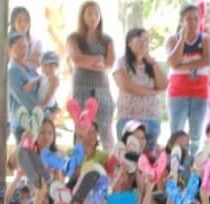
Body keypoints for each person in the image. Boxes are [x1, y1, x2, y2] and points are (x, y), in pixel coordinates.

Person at [68, 1, 117, 149]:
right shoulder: (74, 37)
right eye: (89, 13)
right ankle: (79, 164)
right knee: (82, 128)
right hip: (81, 87)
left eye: (96, 13)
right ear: (82, 16)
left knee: (106, 130)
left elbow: (109, 63)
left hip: (102, 88)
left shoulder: (107, 39)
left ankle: (110, 164)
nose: (93, 17)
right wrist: (97, 59)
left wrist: (87, 61)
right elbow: (76, 59)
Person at [166, 4, 210, 156]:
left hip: (200, 92)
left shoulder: (205, 39)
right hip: (177, 92)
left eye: (196, 19)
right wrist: (182, 39)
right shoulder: (173, 39)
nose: (192, 23)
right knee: (176, 130)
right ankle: (174, 160)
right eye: (188, 19)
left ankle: (193, 161)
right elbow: (173, 62)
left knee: (196, 133)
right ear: (181, 21)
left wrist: (183, 64)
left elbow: (207, 60)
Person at [114, 28, 167, 147]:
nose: (144, 42)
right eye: (139, 39)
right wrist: (153, 92)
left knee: (149, 160)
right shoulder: (122, 62)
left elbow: (163, 85)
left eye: (146, 40)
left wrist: (153, 64)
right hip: (128, 118)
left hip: (151, 118)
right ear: (129, 42)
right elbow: (127, 86)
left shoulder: (152, 64)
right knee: (127, 158)